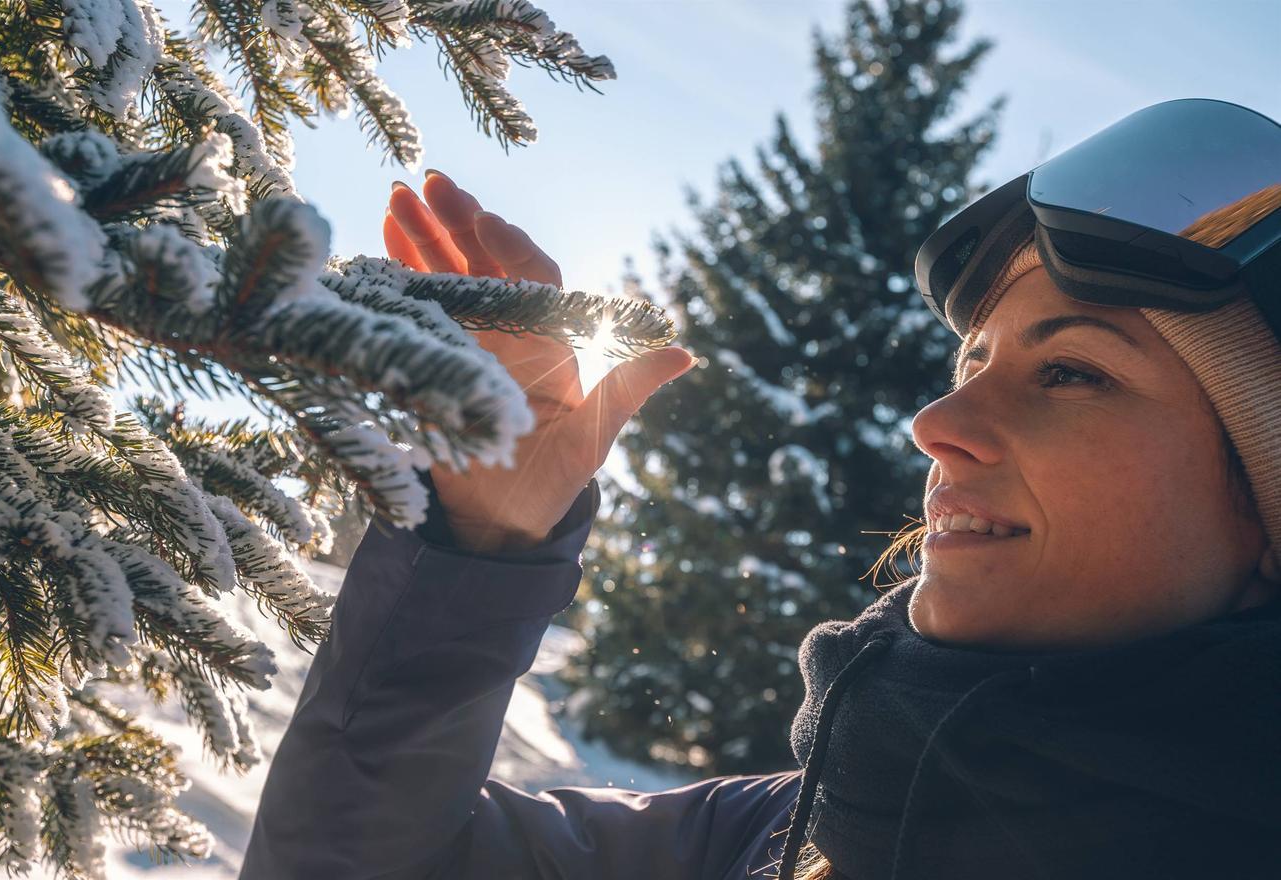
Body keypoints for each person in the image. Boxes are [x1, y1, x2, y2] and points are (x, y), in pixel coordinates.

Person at [238, 100, 1281, 880]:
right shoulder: (790, 831)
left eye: (1070, 373)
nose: (935, 425)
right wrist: (478, 543)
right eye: (969, 366)